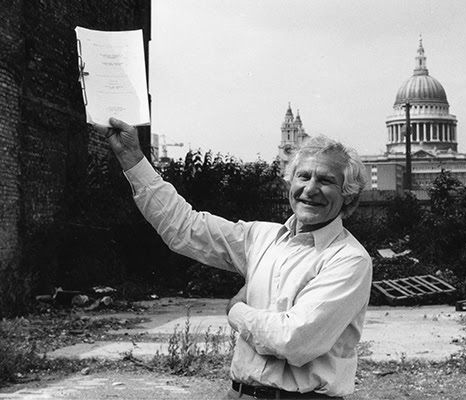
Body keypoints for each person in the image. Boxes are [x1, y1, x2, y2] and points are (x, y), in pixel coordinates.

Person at [95, 118, 372, 399]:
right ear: (290, 183)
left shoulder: (349, 260)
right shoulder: (261, 238)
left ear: (348, 197)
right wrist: (131, 157)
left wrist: (237, 310)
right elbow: (184, 227)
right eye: (303, 176)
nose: (310, 189)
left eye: (325, 180)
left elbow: (295, 341)